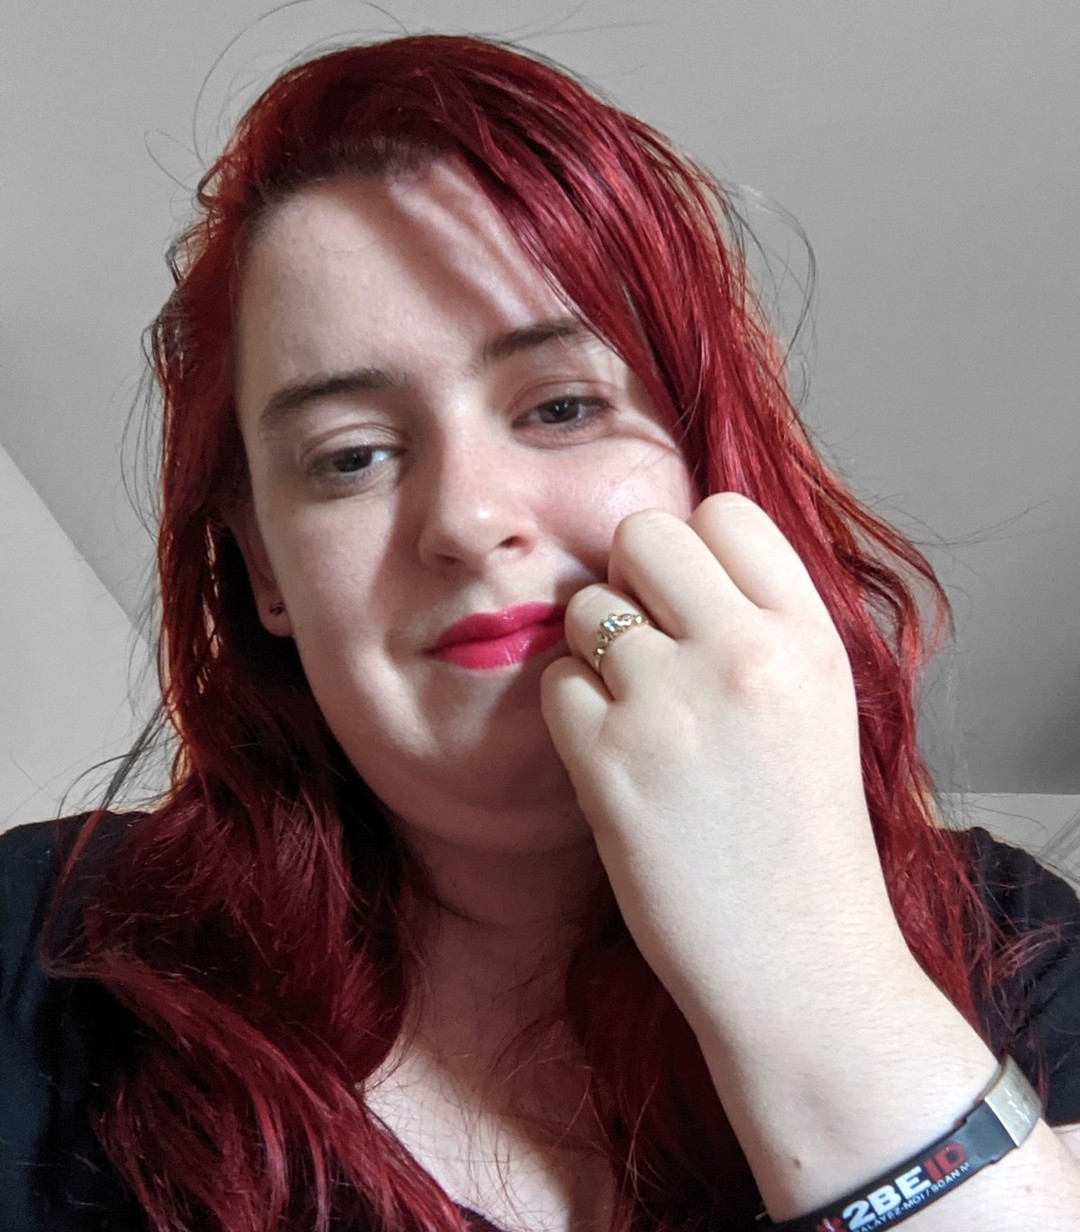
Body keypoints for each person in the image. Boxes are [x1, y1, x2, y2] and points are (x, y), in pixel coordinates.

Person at [2, 32, 1080, 1232]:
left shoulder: (1015, 936)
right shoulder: (37, 940)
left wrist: (810, 971)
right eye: (349, 457)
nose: (468, 519)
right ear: (264, 569)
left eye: (564, 406)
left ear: (709, 466)